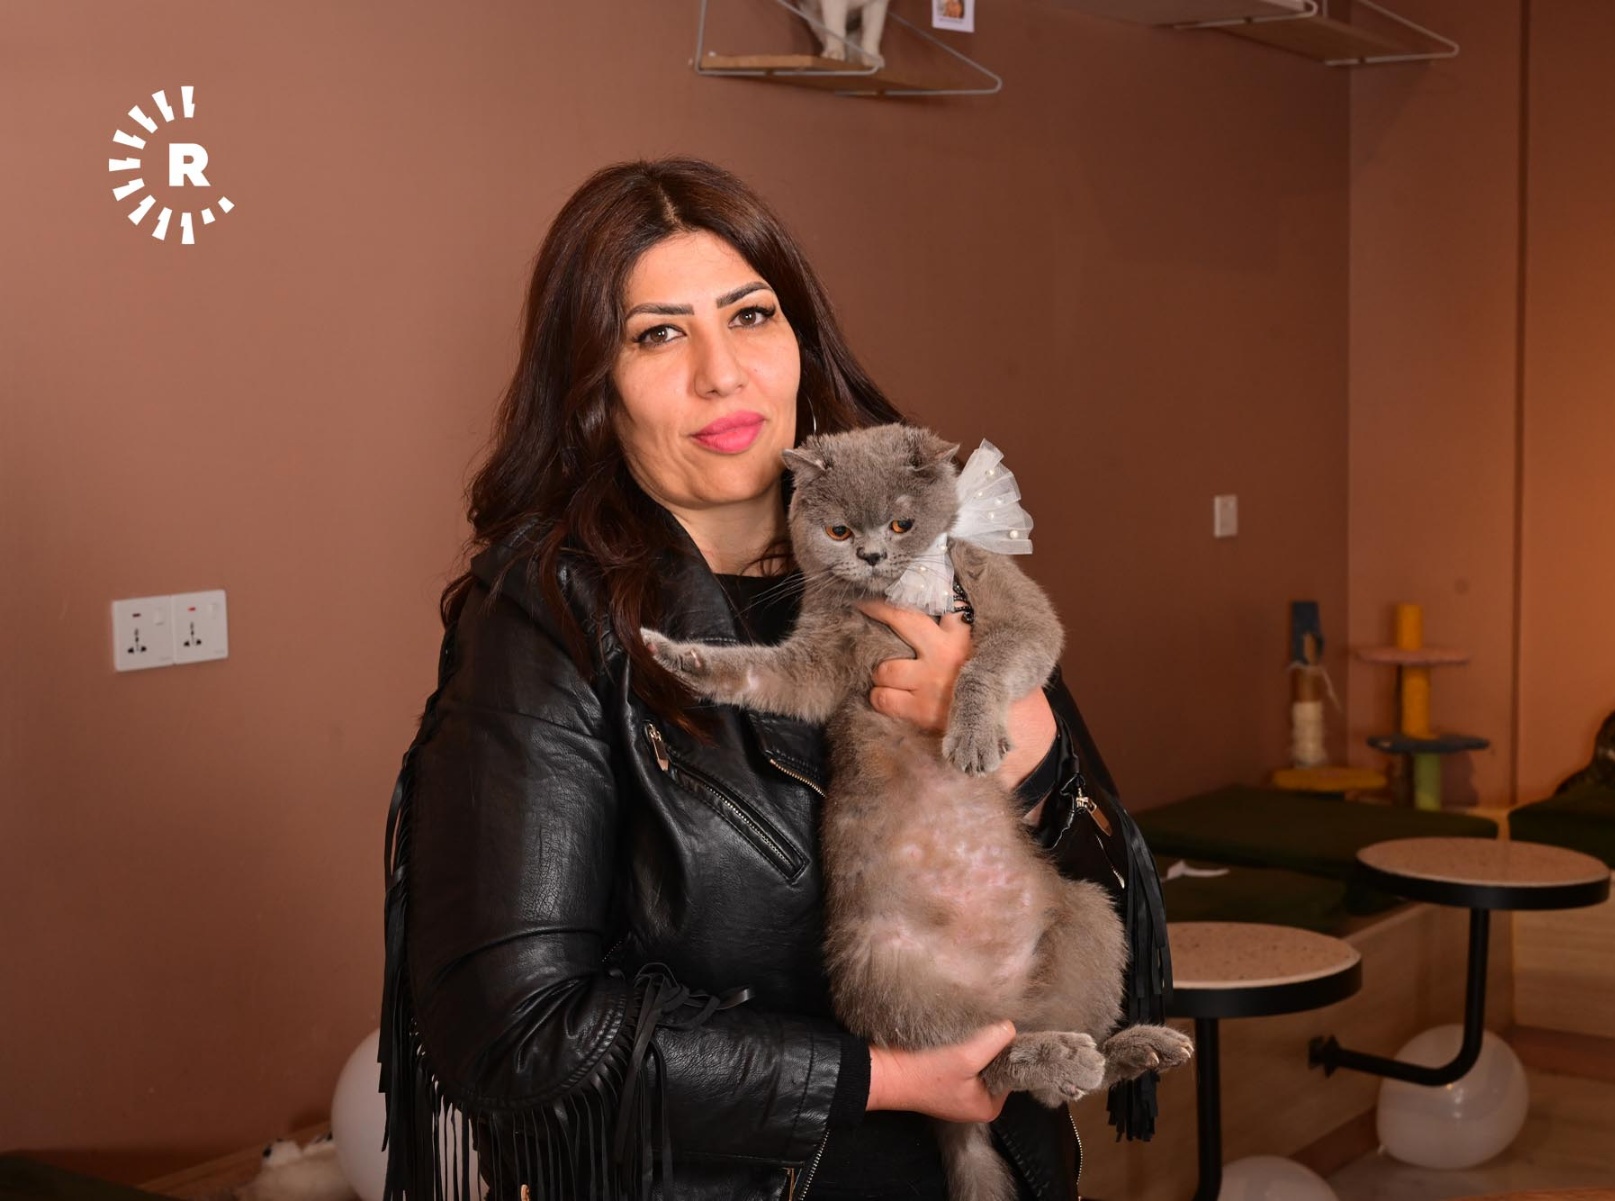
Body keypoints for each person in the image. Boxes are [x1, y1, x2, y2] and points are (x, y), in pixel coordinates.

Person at [378, 157, 1172, 1201]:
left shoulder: (925, 555)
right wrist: (877, 1077)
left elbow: (1108, 900)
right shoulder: (546, 620)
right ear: (593, 381)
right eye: (657, 334)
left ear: (801, 337)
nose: (722, 374)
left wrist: (1035, 760)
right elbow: (515, 1031)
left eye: (750, 316)